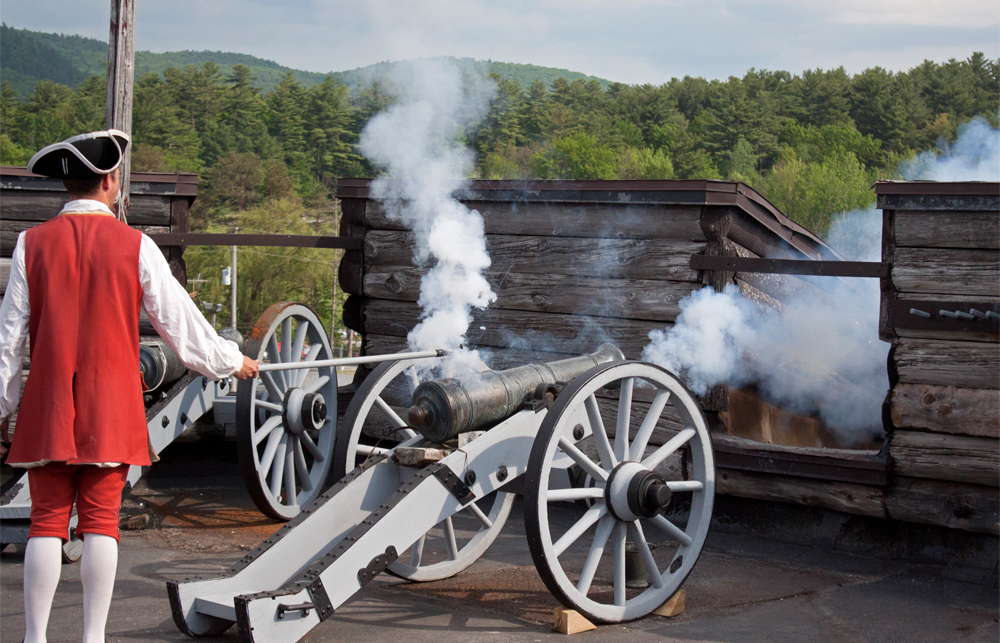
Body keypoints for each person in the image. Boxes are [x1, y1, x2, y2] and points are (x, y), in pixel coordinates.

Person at [0, 130, 259, 643]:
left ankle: (35, 638)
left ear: (66, 185)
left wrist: (2, 408)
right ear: (110, 181)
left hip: (48, 405)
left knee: (46, 522)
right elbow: (180, 324)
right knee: (100, 523)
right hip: (109, 407)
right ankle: (93, 638)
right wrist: (232, 363)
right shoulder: (136, 244)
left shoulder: (32, 243)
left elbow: (8, 340)